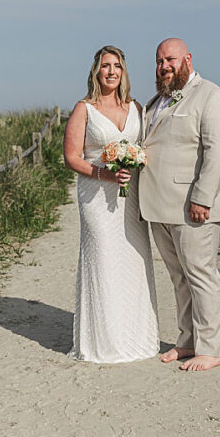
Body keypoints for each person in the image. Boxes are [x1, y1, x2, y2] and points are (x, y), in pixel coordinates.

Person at [137, 38, 220, 372]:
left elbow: (218, 151)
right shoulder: (156, 102)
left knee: (201, 276)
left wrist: (203, 198)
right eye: (159, 61)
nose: (164, 66)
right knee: (179, 277)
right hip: (160, 207)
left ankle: (210, 348)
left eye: (171, 60)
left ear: (188, 60)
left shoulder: (211, 97)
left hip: (194, 207)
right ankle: (188, 341)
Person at [62, 45, 159, 363]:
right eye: (105, 66)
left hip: (130, 200)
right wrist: (104, 174)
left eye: (117, 66)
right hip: (96, 198)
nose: (111, 71)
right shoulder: (84, 109)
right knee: (103, 259)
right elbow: (71, 158)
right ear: (96, 71)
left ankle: (137, 338)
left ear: (124, 71)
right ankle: (104, 343)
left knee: (134, 260)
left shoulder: (137, 109)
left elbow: (146, 148)